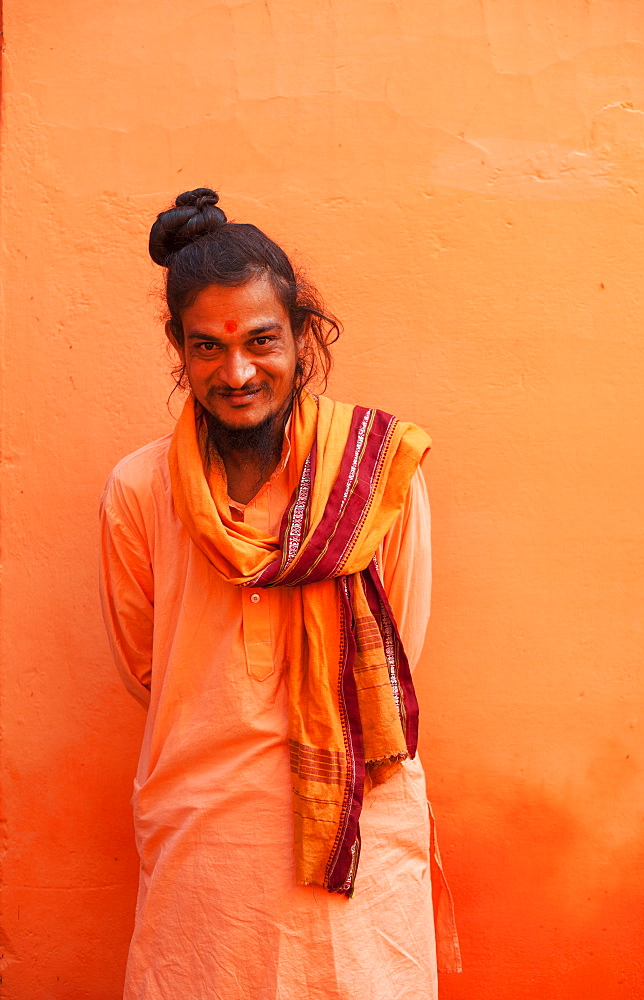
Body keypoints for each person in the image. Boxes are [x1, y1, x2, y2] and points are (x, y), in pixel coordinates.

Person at [99, 187, 460, 1000]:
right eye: (207, 348)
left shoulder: (377, 477)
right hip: (205, 841)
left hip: (356, 827)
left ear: (302, 334)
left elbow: (404, 641)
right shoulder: (138, 490)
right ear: (178, 347)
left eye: (262, 340)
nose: (238, 372)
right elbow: (144, 665)